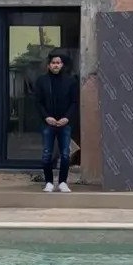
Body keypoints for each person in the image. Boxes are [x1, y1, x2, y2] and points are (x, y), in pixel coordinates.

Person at [33, 52, 79, 192]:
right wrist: (46, 117)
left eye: (58, 63)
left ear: (62, 65)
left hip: (65, 123)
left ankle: (63, 182)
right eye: (53, 63)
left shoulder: (71, 82)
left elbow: (74, 102)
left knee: (65, 154)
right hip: (48, 123)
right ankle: (49, 182)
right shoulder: (42, 81)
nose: (56, 65)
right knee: (47, 154)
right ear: (48, 65)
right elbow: (38, 102)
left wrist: (67, 118)